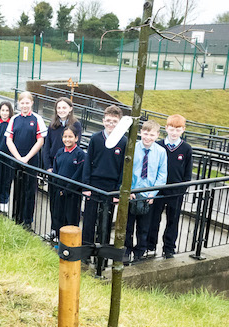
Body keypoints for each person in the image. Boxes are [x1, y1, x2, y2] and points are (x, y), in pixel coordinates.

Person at [81, 104, 131, 252]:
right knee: (89, 218)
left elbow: (123, 168)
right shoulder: (96, 138)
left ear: (119, 122)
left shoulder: (123, 141)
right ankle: (86, 247)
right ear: (103, 120)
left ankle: (102, 248)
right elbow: (88, 162)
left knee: (106, 219)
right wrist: (86, 186)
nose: (110, 124)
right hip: (94, 184)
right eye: (108, 120)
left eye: (114, 121)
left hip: (111, 187)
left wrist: (118, 191)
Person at [146, 114, 193, 258]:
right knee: (154, 218)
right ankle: (150, 245)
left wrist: (182, 189)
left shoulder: (186, 148)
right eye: (171, 129)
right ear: (166, 128)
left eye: (178, 130)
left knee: (173, 220)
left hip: (175, 191)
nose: (174, 132)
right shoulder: (158, 145)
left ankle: (169, 247)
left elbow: (187, 172)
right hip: (159, 189)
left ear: (183, 130)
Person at [124, 119, 167, 262]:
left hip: (148, 194)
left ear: (157, 135)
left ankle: (140, 251)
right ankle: (126, 250)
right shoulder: (132, 148)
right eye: (145, 133)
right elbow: (126, 170)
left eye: (152, 135)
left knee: (144, 227)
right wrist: (128, 190)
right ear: (141, 132)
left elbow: (162, 175)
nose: (148, 137)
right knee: (128, 225)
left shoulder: (161, 152)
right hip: (132, 193)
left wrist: (153, 193)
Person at [6, 92, 45, 227]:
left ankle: (27, 220)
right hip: (17, 159)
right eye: (22, 103)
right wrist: (18, 158)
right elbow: (9, 140)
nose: (24, 105)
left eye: (27, 103)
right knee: (17, 188)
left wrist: (27, 158)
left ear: (32, 103)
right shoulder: (14, 119)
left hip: (31, 160)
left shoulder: (37, 119)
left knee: (30, 190)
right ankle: (16, 216)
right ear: (18, 104)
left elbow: (40, 141)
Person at [49, 126, 86, 234]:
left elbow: (78, 175)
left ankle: (70, 244)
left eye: (70, 136)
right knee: (58, 215)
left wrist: (66, 190)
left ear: (76, 138)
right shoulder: (60, 152)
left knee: (71, 218)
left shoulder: (80, 154)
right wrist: (57, 188)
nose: (67, 139)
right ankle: (58, 239)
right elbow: (55, 171)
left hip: (72, 193)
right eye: (65, 136)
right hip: (58, 191)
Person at [43, 97, 83, 171]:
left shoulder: (76, 125)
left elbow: (76, 145)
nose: (61, 110)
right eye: (59, 108)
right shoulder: (52, 125)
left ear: (70, 108)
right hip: (53, 163)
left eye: (64, 108)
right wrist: (48, 166)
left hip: (67, 164)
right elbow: (47, 146)